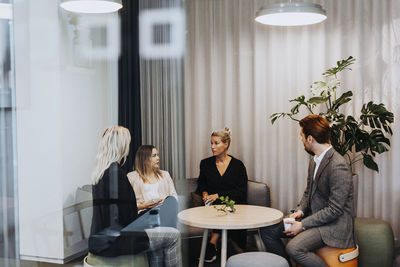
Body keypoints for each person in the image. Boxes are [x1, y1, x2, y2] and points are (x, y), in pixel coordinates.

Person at [260, 115, 356, 267]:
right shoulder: (315, 160)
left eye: (302, 136)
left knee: (294, 248)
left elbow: (335, 210)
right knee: (268, 231)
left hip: (334, 226)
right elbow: (308, 192)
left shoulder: (338, 165)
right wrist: (300, 211)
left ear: (310, 138)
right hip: (315, 218)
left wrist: (303, 224)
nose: (301, 140)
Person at [88, 126, 182, 267]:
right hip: (116, 241)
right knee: (173, 236)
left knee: (157, 243)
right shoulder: (116, 174)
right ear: (122, 146)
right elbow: (127, 218)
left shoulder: (100, 173)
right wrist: (150, 216)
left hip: (100, 238)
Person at [195, 127, 248, 263]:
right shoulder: (205, 164)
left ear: (226, 144)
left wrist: (217, 195)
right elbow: (201, 184)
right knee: (219, 210)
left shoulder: (238, 165)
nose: (212, 147)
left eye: (216, 143)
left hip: (234, 204)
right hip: (212, 207)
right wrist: (205, 193)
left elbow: (241, 192)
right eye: (211, 143)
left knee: (228, 210)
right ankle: (241, 254)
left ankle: (213, 242)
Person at [127, 145, 178, 214]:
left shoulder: (165, 175)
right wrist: (142, 206)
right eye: (154, 156)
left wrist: (167, 203)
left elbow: (174, 197)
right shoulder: (131, 177)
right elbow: (127, 204)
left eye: (157, 155)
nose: (158, 158)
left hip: (165, 211)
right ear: (144, 159)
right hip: (144, 214)